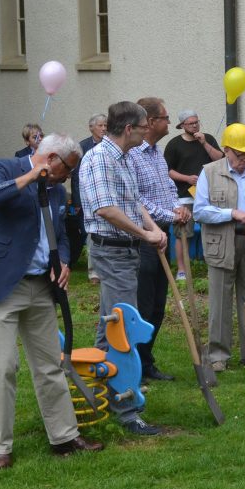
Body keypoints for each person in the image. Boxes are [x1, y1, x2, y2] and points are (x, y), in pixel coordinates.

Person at [0, 134, 104, 469]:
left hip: (40, 286)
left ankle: (64, 437)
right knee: (2, 368)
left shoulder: (57, 189)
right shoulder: (6, 167)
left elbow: (62, 232)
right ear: (51, 158)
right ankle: (1, 447)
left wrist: (66, 261)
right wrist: (28, 178)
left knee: (50, 365)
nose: (67, 177)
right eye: (67, 169)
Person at [79, 101, 167, 436]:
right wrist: (145, 234)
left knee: (109, 327)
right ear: (128, 129)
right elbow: (107, 210)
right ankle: (126, 409)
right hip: (112, 253)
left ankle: (96, 393)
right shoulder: (100, 159)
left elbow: (132, 202)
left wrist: (152, 228)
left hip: (126, 251)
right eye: (144, 127)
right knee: (123, 329)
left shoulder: (125, 158)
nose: (147, 133)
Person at [193, 122, 245, 372]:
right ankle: (218, 354)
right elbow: (199, 211)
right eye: (240, 155)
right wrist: (232, 213)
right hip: (222, 243)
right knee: (220, 300)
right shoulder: (209, 172)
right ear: (227, 150)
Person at [130, 97, 190, 383]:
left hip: (164, 233)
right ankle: (136, 364)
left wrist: (177, 208)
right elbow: (135, 198)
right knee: (144, 303)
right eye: (165, 118)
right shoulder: (132, 154)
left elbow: (166, 186)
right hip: (145, 238)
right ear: (151, 122)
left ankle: (147, 361)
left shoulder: (156, 153)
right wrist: (167, 214)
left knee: (158, 304)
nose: (170, 123)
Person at [163, 110, 223, 281]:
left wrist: (204, 143)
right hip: (184, 195)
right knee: (183, 232)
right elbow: (167, 171)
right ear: (182, 126)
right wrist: (187, 178)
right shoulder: (174, 144)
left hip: (208, 194)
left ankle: (213, 264)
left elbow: (220, 159)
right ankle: (182, 269)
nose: (195, 125)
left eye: (197, 122)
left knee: (213, 229)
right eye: (191, 123)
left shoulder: (208, 138)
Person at [67, 114, 107, 281]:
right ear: (91, 127)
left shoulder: (110, 145)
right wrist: (77, 202)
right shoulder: (82, 147)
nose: (104, 128)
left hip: (107, 198)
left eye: (106, 125)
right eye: (100, 125)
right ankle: (94, 272)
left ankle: (106, 269)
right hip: (87, 200)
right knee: (91, 235)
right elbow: (76, 178)